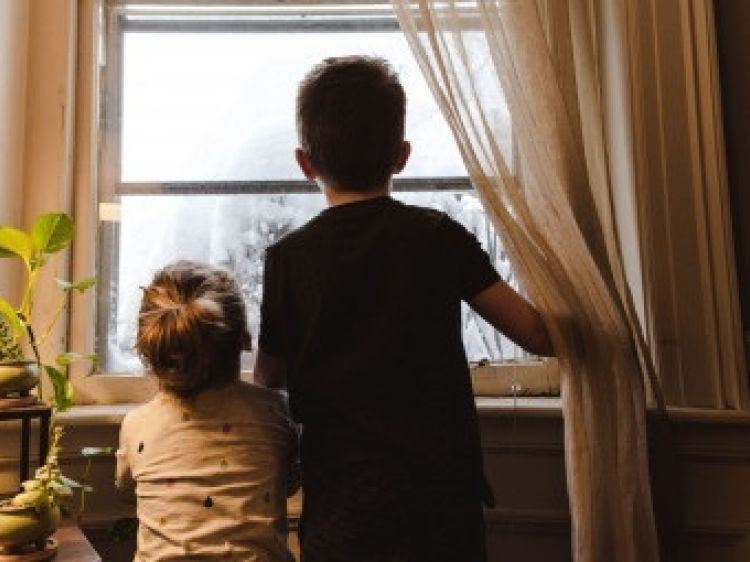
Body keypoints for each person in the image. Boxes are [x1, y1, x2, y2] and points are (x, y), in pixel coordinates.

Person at [254, 56, 554, 562]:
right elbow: (537, 334)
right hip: (440, 506)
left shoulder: (288, 259)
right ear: (402, 156)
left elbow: (269, 378)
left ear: (305, 163)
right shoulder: (438, 236)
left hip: (342, 510)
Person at [116, 261, 298, 562]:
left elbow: (126, 490)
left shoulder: (137, 426)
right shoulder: (276, 413)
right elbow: (289, 484)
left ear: (153, 352)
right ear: (244, 339)